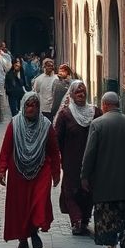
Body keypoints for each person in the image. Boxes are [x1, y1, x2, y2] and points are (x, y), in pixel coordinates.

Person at [80, 91, 125, 248]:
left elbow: (90, 153)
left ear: (104, 105)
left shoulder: (97, 124)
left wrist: (85, 175)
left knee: (107, 216)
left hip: (105, 183)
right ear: (118, 104)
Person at [0, 92, 61, 248]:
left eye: (34, 105)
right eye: (28, 105)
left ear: (39, 107)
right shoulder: (14, 124)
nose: (30, 108)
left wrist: (55, 173)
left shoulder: (46, 125)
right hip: (18, 171)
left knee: (38, 202)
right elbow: (6, 148)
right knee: (20, 206)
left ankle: (34, 230)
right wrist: (2, 169)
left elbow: (54, 151)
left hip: (41, 170)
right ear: (23, 106)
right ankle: (23, 239)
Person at [54, 80, 102, 235]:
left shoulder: (96, 112)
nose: (81, 94)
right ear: (72, 95)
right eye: (77, 92)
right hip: (71, 162)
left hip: (92, 162)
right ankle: (77, 220)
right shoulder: (65, 115)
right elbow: (57, 139)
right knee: (70, 192)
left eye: (83, 91)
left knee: (88, 191)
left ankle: (85, 219)